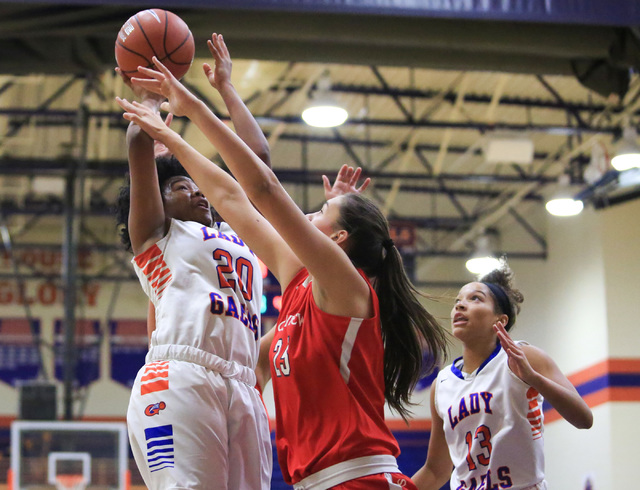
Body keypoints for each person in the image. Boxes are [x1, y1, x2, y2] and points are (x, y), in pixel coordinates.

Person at [116, 56, 450, 490]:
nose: (307, 213)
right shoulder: (300, 287)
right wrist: (174, 128)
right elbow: (235, 195)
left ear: (339, 240)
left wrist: (190, 114)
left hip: (354, 477)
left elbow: (261, 186)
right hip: (287, 458)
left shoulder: (346, 286)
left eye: (321, 212)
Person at [115, 33, 274, 490]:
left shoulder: (234, 233)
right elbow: (138, 143)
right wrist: (149, 96)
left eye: (197, 185)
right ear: (159, 202)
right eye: (182, 187)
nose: (198, 190)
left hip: (243, 384)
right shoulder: (156, 235)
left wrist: (227, 89)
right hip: (181, 373)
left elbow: (258, 164)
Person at [412, 260, 593, 490]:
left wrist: (533, 378)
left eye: (474, 298)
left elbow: (584, 419)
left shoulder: (524, 357)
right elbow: (435, 471)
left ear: (500, 319)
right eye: (458, 301)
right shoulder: (442, 384)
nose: (460, 306)